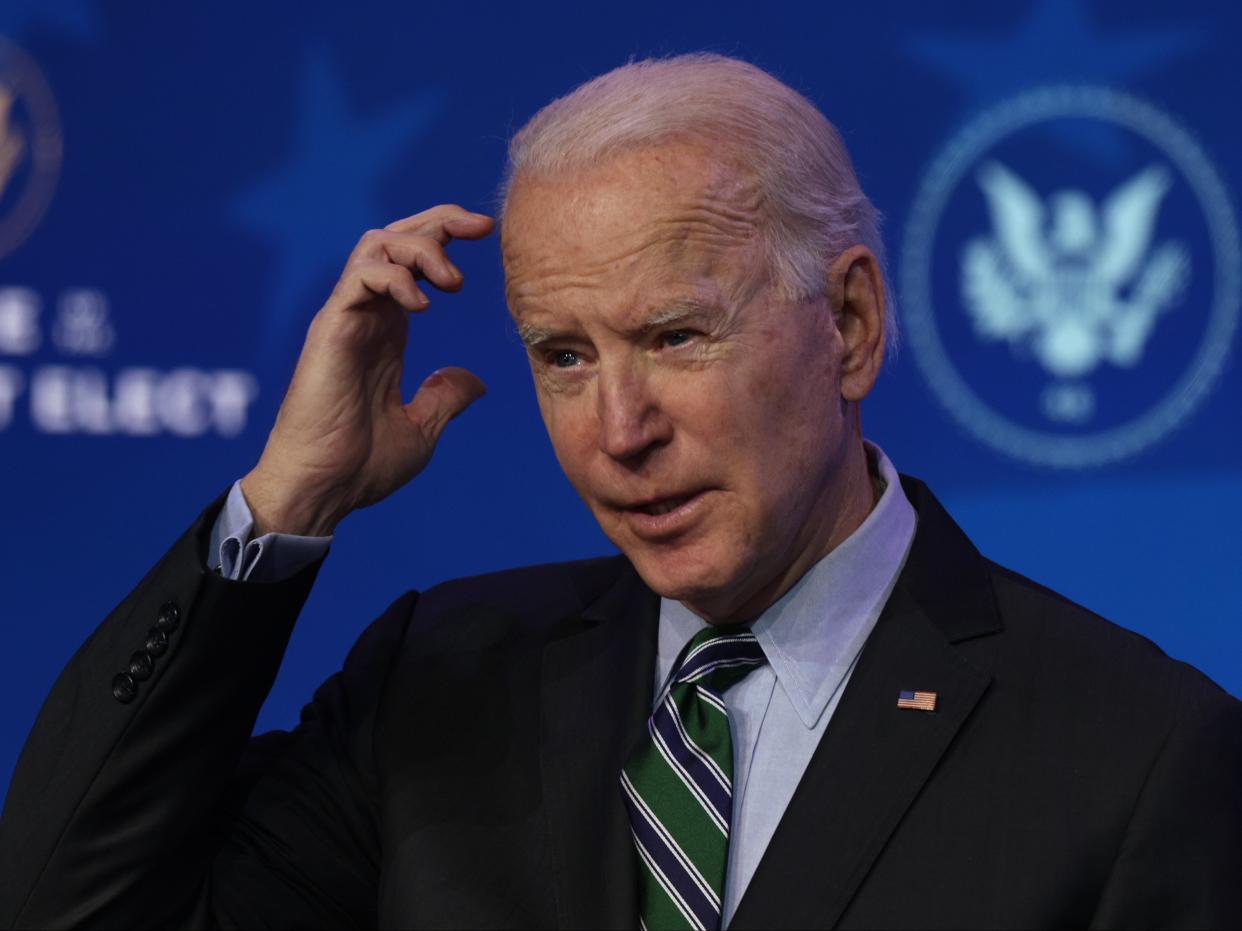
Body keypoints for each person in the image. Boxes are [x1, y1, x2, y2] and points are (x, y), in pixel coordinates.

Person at [1, 53, 1239, 931]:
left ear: (849, 323)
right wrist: (283, 506)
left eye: (678, 336)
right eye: (564, 355)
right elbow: (69, 902)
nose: (620, 430)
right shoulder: (441, 681)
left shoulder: (1135, 754)